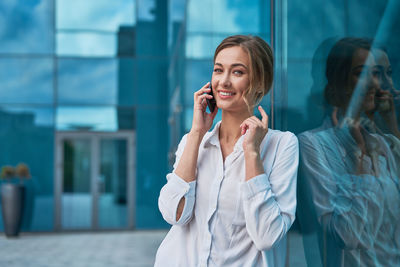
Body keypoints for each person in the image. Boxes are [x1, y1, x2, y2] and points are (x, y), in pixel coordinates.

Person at [155, 35, 298, 267]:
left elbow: (267, 236)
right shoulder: (193, 141)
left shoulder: (282, 145)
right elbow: (174, 214)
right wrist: (196, 133)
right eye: (218, 70)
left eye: (237, 72)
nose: (224, 81)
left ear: (261, 83)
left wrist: (252, 152)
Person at [298, 37, 400, 267]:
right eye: (361, 73)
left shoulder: (383, 145)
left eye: (374, 74)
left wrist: (390, 126)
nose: (374, 83)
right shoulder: (313, 145)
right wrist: (360, 160)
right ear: (337, 83)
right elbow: (348, 235)